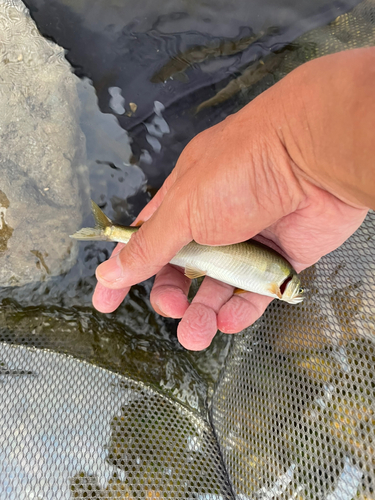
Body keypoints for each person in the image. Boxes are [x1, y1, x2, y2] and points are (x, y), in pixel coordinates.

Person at [92, 47, 375, 351]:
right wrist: (289, 155)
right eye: (294, 288)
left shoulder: (278, 271)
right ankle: (111, 230)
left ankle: (112, 230)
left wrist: (293, 157)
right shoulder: (278, 274)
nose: (297, 291)